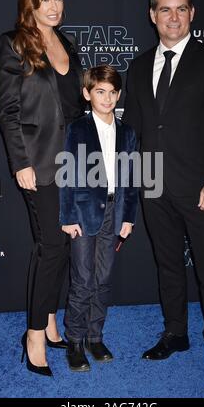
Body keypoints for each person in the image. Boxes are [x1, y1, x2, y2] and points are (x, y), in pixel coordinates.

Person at [122, 0, 204, 384]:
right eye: (165, 9)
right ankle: (176, 334)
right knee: (168, 265)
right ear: (152, 15)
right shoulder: (137, 66)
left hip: (200, 187)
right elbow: (132, 130)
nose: (173, 17)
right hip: (153, 184)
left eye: (181, 9)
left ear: (192, 14)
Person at [0, 0, 85, 376]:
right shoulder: (14, 44)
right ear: (30, 3)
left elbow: (75, 109)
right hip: (39, 162)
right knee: (50, 245)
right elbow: (9, 111)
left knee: (64, 245)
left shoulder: (68, 43)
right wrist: (21, 164)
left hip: (73, 161)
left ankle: (49, 320)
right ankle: (33, 334)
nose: (54, 7)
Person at [59, 65, 138, 371]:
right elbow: (67, 175)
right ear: (87, 94)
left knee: (103, 280)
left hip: (114, 214)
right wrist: (67, 216)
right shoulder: (76, 129)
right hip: (82, 214)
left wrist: (128, 217)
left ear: (119, 95)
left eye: (112, 92)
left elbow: (131, 179)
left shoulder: (127, 133)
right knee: (82, 280)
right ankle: (75, 341)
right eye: (100, 92)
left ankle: (95, 336)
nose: (107, 98)